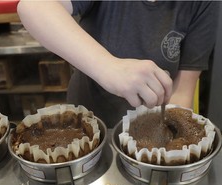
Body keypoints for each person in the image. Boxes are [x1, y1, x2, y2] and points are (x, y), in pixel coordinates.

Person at [17, 0, 219, 128]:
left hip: (151, 128)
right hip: (88, 123)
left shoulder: (205, 3)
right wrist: (109, 67)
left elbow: (182, 89)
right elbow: (34, 6)